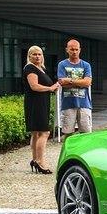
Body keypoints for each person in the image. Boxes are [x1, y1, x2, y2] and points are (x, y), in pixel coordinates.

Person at [23, 46, 60, 174]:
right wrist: (50, 89)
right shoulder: (30, 68)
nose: (37, 56)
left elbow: (43, 85)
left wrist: (53, 87)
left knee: (36, 133)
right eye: (34, 54)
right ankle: (40, 161)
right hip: (36, 104)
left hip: (40, 103)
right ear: (29, 56)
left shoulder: (41, 68)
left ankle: (34, 160)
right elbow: (34, 86)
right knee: (44, 133)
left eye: (39, 54)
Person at [57, 39, 93, 138]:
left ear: (80, 50)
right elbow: (62, 84)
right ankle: (68, 153)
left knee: (86, 134)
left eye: (76, 49)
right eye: (72, 49)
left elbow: (87, 83)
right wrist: (80, 82)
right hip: (68, 104)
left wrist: (70, 81)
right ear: (67, 50)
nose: (74, 52)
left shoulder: (86, 65)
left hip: (84, 104)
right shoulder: (62, 64)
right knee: (68, 134)